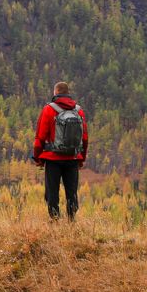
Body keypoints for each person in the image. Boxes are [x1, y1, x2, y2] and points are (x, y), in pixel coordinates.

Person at [31, 82, 88, 221]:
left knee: (52, 193)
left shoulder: (48, 110)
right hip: (73, 158)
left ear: (55, 92)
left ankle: (55, 221)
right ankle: (71, 221)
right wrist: (82, 158)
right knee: (72, 193)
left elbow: (40, 137)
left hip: (53, 159)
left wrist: (37, 158)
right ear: (68, 93)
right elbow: (84, 137)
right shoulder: (78, 111)